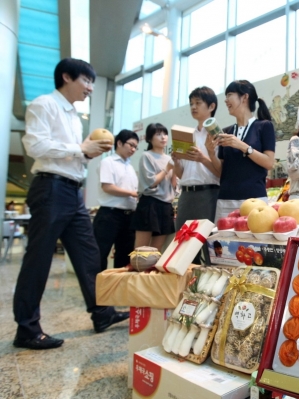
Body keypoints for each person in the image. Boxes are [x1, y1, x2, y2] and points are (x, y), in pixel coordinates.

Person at [14, 58, 129, 350]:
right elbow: (35, 145)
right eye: (86, 81)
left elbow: (71, 155)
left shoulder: (74, 117)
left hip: (72, 192)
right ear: (66, 77)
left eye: (91, 82)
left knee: (89, 255)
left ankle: (101, 313)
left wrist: (87, 153)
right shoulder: (44, 105)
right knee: (38, 259)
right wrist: (80, 148)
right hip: (50, 188)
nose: (90, 87)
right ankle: (26, 329)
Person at [206, 80, 276, 219]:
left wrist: (242, 146)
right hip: (225, 199)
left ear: (245, 97)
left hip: (254, 201)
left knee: (253, 240)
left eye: (230, 95)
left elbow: (269, 163)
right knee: (222, 240)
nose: (226, 101)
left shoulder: (264, 126)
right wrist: (211, 154)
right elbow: (221, 171)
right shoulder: (226, 131)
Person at [172, 87, 220, 262]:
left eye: (198, 103)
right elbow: (181, 173)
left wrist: (202, 158)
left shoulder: (217, 135)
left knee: (207, 244)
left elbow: (221, 172)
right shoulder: (186, 136)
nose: (193, 107)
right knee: (183, 246)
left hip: (208, 193)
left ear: (211, 106)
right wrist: (176, 162)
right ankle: (183, 285)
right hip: (186, 195)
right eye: (191, 103)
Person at [93, 129, 139, 271]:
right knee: (100, 254)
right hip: (109, 215)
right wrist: (132, 193)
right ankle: (97, 290)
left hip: (129, 217)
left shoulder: (130, 167)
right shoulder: (108, 162)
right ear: (119, 143)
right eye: (131, 145)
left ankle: (117, 289)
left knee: (124, 257)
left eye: (135, 147)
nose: (133, 149)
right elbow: (108, 187)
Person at [131, 123, 177, 250]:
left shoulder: (168, 158)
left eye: (165, 134)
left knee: (156, 251)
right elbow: (152, 182)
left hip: (166, 206)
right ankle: (137, 269)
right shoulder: (147, 156)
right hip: (149, 204)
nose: (163, 137)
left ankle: (151, 270)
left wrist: (176, 164)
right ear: (149, 139)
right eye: (158, 134)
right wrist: (168, 167)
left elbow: (174, 185)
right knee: (141, 251)